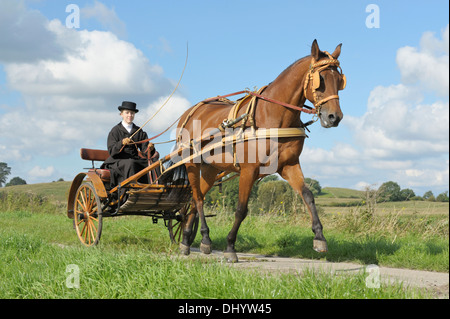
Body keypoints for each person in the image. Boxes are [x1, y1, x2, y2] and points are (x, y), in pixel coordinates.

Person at [102, 101, 155, 189]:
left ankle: (155, 189)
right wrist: (121, 143)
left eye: (132, 113)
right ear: (121, 114)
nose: (130, 115)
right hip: (117, 161)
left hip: (134, 160)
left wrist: (150, 148)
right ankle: (130, 191)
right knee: (131, 163)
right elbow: (111, 151)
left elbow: (145, 151)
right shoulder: (115, 131)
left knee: (153, 163)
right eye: (127, 113)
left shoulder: (139, 131)